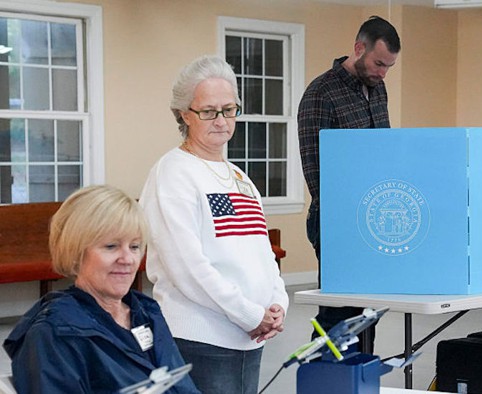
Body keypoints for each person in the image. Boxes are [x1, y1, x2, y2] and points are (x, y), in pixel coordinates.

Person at [140, 55, 289, 394]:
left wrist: (278, 304)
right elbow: (188, 268)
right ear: (184, 114)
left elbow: (263, 255)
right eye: (208, 111)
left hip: (250, 336)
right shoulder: (173, 173)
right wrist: (250, 314)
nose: (221, 120)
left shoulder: (240, 177)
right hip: (201, 339)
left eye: (229, 109)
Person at [2, 185, 199, 393]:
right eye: (111, 246)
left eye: (134, 247)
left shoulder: (145, 312)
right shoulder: (54, 332)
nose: (128, 260)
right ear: (76, 252)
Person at [298, 16, 400, 353]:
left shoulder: (377, 89)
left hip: (376, 220)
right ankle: (324, 380)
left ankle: (359, 379)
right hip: (337, 222)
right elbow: (317, 175)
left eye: (389, 66)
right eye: (379, 63)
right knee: (338, 316)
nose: (383, 73)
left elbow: (383, 154)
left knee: (369, 315)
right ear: (359, 49)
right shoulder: (321, 93)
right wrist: (352, 221)